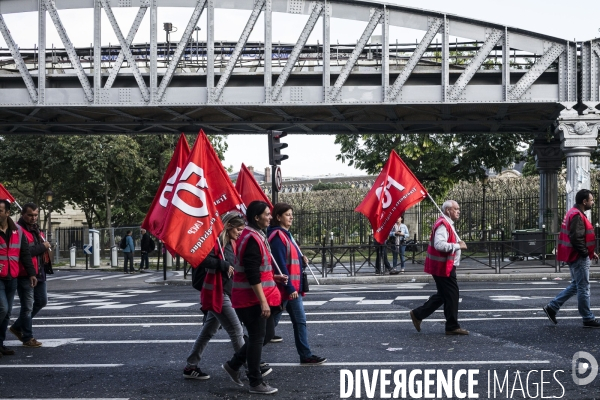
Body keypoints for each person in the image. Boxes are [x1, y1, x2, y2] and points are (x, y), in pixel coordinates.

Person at [222, 201, 287, 395]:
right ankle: (255, 382)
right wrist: (263, 301)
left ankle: (234, 365)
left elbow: (255, 268)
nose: (270, 217)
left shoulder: (255, 235)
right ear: (256, 217)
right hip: (250, 299)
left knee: (265, 335)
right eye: (267, 214)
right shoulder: (252, 237)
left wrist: (273, 277)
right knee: (258, 337)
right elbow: (251, 274)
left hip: (253, 296)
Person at [183, 213, 246, 379]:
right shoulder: (214, 241)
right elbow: (201, 258)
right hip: (218, 292)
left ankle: (191, 366)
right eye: (238, 229)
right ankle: (250, 368)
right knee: (236, 329)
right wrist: (223, 264)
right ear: (228, 226)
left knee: (208, 331)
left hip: (225, 291)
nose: (240, 232)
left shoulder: (230, 243)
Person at [267, 203, 327, 365]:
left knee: (292, 322)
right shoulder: (278, 236)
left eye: (291, 214)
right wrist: (290, 287)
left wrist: (302, 262)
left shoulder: (286, 234)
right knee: (270, 326)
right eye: (287, 214)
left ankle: (305, 355)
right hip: (286, 288)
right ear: (278, 217)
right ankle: (245, 354)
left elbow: (289, 260)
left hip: (291, 288)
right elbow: (279, 264)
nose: (291, 217)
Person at [409, 200, 469, 335]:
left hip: (444, 265)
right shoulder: (443, 224)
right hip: (443, 267)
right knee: (452, 295)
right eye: (456, 209)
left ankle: (418, 314)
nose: (459, 211)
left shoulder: (446, 223)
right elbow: (439, 245)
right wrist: (458, 246)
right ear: (448, 210)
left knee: (444, 295)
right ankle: (452, 326)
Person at [543, 189, 600, 328]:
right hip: (578, 257)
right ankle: (587, 318)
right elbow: (576, 238)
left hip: (574, 255)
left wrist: (591, 253)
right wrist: (586, 253)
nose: (593, 202)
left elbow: (578, 237)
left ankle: (552, 307)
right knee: (583, 288)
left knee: (576, 286)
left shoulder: (573, 213)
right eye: (591, 200)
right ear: (584, 201)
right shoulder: (577, 215)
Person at [10, 203, 51, 348]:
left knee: (41, 301)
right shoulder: (18, 230)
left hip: (39, 271)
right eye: (30, 215)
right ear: (23, 214)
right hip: (25, 273)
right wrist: (44, 246)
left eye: (35, 215)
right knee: (27, 306)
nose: (33, 218)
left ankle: (17, 326)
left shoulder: (35, 229)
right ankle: (27, 337)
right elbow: (25, 252)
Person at [0, 199, 37, 357]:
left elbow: (25, 254)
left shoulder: (18, 231)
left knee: (7, 313)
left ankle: (0, 344)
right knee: (3, 308)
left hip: (12, 276)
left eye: (0, 210)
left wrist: (31, 273)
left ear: (7, 212)